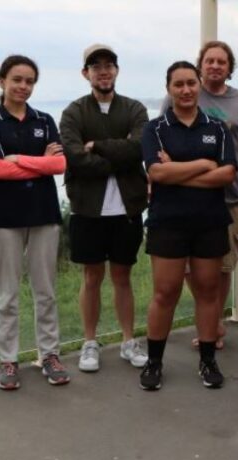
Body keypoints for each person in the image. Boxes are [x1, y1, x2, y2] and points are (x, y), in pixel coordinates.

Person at [138, 61, 237, 391]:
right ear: (169, 89)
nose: (185, 90)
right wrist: (201, 165)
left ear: (199, 86)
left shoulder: (217, 128)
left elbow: (227, 175)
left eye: (190, 83)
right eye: (178, 84)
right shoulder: (155, 129)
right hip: (168, 223)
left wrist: (177, 173)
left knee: (208, 290)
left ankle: (208, 361)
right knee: (165, 292)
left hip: (209, 222)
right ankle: (154, 362)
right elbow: (156, 173)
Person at [164, 40, 238, 350]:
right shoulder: (183, 95)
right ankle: (208, 321)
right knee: (192, 266)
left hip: (230, 196)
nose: (215, 66)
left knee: (222, 266)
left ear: (230, 67)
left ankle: (214, 321)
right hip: (186, 196)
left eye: (222, 61)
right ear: (200, 64)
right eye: (209, 61)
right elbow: (163, 142)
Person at [0, 55, 69, 390]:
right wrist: (39, 162)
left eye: (29, 81)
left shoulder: (44, 120)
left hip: (44, 213)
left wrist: (18, 159)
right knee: (7, 294)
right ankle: (8, 360)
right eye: (17, 79)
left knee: (45, 291)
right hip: (5, 216)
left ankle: (49, 355)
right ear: (2, 80)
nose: (23, 86)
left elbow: (59, 166)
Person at [60, 44, 150, 372]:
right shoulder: (74, 112)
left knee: (123, 276)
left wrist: (97, 146)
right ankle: (89, 342)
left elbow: (139, 148)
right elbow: (75, 158)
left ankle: (128, 340)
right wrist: (119, 158)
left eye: (109, 65)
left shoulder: (135, 109)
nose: (103, 70)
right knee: (92, 277)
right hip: (87, 208)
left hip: (127, 208)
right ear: (86, 73)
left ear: (116, 71)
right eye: (95, 66)